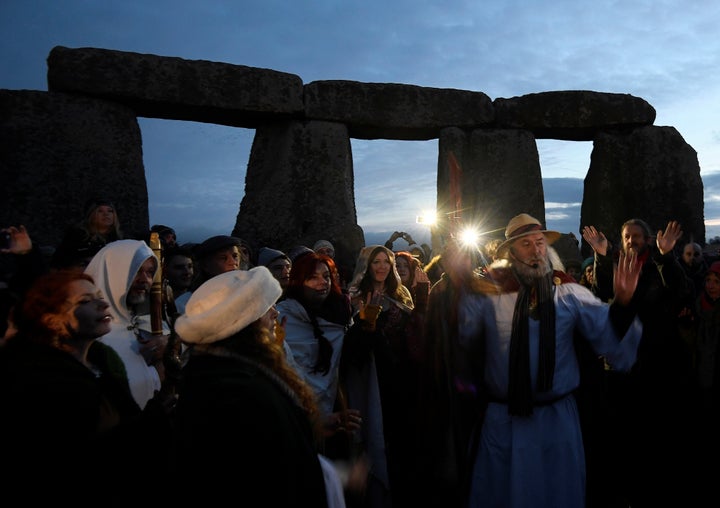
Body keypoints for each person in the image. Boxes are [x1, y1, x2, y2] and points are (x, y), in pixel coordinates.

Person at [459, 213, 643, 508]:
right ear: (510, 254)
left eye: (540, 243)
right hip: (504, 421)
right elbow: (460, 342)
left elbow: (607, 334)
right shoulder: (486, 296)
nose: (536, 250)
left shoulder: (568, 292)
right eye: (526, 244)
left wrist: (622, 303)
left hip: (556, 420)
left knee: (557, 495)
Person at [0, 270, 173, 506]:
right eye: (85, 301)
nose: (103, 303)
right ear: (51, 320)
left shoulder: (101, 360)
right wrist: (158, 410)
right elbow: (87, 459)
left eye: (99, 296)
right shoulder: (40, 380)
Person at [171, 267, 334, 506]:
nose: (275, 314)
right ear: (243, 323)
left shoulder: (228, 372)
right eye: (266, 308)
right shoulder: (238, 392)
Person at [582, 219, 696, 507]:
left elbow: (681, 292)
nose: (631, 240)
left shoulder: (658, 265)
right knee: (624, 437)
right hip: (623, 368)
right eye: (626, 236)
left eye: (636, 236)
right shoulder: (615, 264)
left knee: (658, 438)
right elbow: (601, 296)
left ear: (647, 239)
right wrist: (601, 257)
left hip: (659, 365)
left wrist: (666, 255)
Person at [344, 245, 420, 508]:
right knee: (375, 430)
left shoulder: (402, 293)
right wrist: (367, 326)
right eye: (376, 261)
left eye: (386, 261)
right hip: (372, 374)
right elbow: (351, 345)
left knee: (400, 435)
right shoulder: (356, 296)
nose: (382, 266)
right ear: (366, 264)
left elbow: (412, 328)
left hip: (401, 373)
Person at [84, 239, 170, 409]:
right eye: (136, 271)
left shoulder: (144, 324)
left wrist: (166, 346)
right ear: (111, 272)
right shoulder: (88, 334)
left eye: (150, 272)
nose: (145, 279)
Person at [174, 234, 242, 314]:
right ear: (206, 265)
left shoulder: (248, 293)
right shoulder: (185, 304)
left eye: (235, 256)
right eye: (223, 258)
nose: (233, 262)